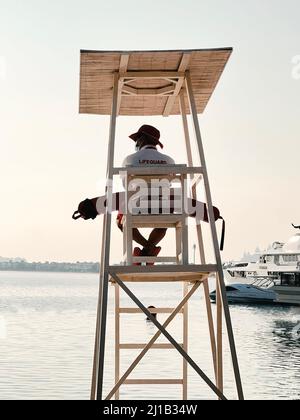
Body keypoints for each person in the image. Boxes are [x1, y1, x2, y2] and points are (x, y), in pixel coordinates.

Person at [116, 124, 175, 264]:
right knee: (165, 218)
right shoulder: (169, 160)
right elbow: (169, 185)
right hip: (162, 209)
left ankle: (147, 249)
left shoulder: (129, 160)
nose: (135, 143)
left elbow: (126, 187)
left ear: (142, 139)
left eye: (136, 139)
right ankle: (148, 252)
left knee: (120, 221)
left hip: (136, 207)